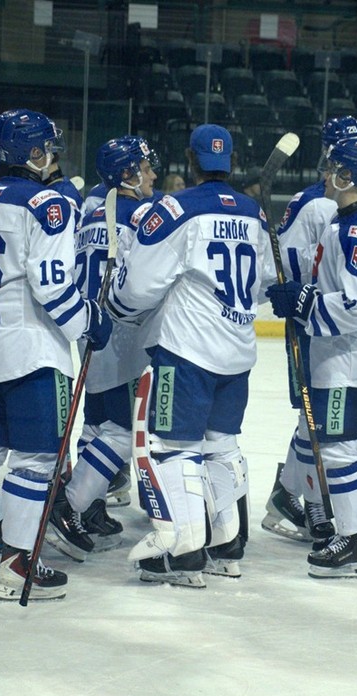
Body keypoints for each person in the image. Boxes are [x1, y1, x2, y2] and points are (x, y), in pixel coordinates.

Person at [0, 109, 111, 601]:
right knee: (35, 463)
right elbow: (53, 287)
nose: (53, 157)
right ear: (33, 153)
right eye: (48, 149)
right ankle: (18, 566)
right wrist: (88, 324)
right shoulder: (48, 204)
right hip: (28, 354)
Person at [108, 124, 273, 586]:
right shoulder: (253, 212)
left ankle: (182, 555)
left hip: (186, 351)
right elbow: (259, 286)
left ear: (190, 159)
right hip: (237, 351)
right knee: (222, 446)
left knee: (175, 449)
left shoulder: (176, 209)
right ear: (231, 162)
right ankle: (227, 547)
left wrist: (115, 306)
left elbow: (140, 285)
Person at [262, 116, 357, 546]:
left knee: (329, 435)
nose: (326, 170)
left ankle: (318, 511)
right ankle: (311, 505)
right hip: (331, 329)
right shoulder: (324, 203)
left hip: (344, 337)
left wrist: (301, 300)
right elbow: (282, 263)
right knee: (321, 428)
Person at [47, 135, 161, 562]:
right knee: (120, 431)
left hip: (88, 326)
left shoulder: (92, 212)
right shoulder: (144, 215)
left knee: (96, 425)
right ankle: (70, 506)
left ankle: (91, 509)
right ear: (128, 175)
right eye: (146, 168)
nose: (152, 174)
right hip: (122, 332)